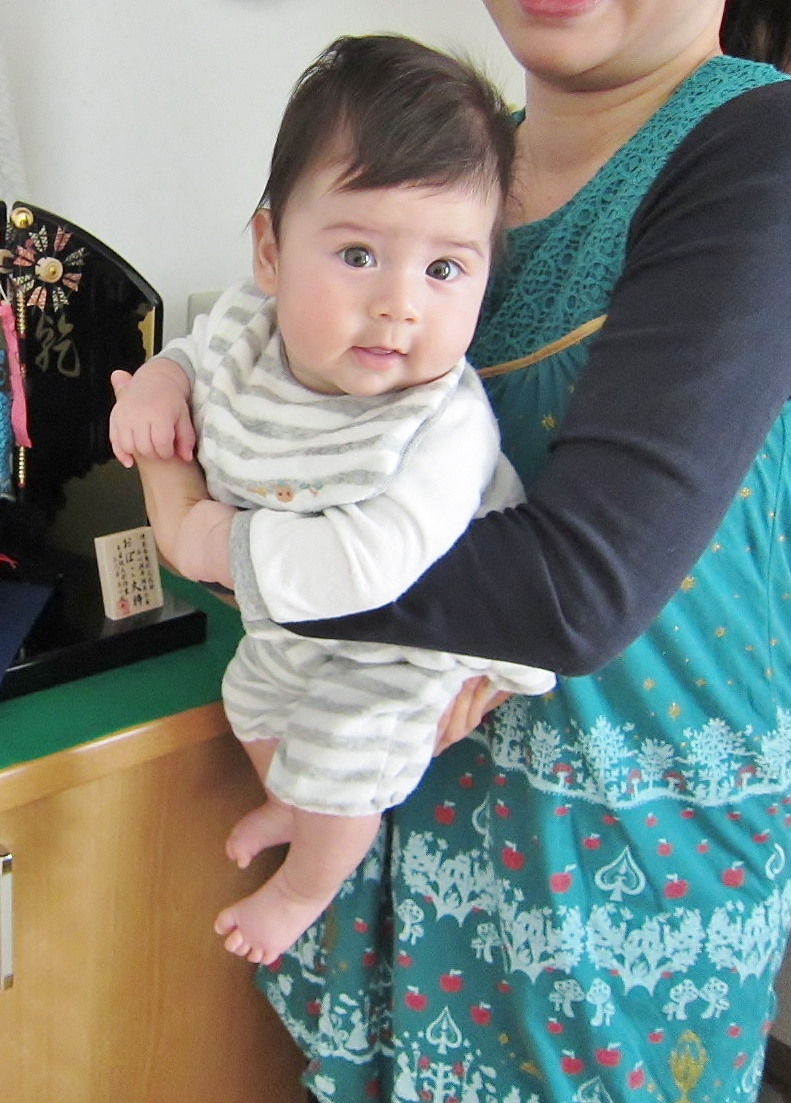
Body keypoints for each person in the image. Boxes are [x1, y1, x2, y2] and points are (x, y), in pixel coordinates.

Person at [129, 0, 791, 1099]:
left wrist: (208, 534)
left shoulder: (758, 151)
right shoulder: (443, 162)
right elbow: (266, 403)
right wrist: (181, 457)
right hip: (387, 817)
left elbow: (573, 594)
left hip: (602, 880)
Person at [110, 34, 556, 969]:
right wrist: (157, 382)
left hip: (408, 637)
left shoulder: (441, 424)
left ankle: (304, 887)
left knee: (348, 749)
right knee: (250, 699)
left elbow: (370, 563)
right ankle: (291, 803)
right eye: (358, 253)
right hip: (295, 621)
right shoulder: (250, 325)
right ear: (271, 251)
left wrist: (209, 538)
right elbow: (196, 356)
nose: (399, 304)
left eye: (444, 269)